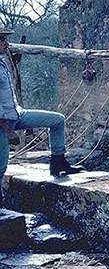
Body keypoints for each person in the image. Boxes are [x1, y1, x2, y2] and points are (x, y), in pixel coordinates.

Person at [0, 28, 83, 205]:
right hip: (2, 124)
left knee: (57, 119)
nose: (6, 44)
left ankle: (58, 163)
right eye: (2, 40)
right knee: (1, 167)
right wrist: (8, 131)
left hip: (15, 114)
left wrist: (17, 111)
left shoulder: (2, 62)